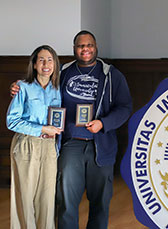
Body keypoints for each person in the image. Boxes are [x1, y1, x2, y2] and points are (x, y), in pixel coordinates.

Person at [10, 30, 133, 229]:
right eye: (80, 45)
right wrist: (18, 87)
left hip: (101, 146)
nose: (85, 49)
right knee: (66, 202)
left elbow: (125, 107)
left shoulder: (111, 75)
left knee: (100, 203)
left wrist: (103, 123)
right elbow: (39, 87)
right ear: (74, 48)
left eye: (89, 45)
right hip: (69, 145)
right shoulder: (64, 72)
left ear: (96, 47)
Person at [7, 45, 62, 228]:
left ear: (55, 64)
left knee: (47, 198)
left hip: (50, 147)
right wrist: (41, 129)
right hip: (26, 144)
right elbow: (12, 121)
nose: (46, 64)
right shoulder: (23, 87)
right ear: (35, 64)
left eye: (50, 59)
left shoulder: (59, 90)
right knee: (25, 196)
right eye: (41, 59)